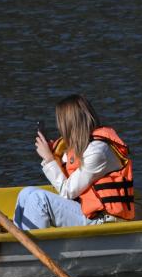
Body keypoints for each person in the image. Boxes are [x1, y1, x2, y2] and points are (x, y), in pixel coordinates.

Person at [13, 94, 135, 231]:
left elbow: (67, 191)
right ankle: (19, 245)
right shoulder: (78, 146)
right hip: (87, 213)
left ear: (69, 124)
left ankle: (34, 247)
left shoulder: (98, 152)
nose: (59, 128)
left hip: (103, 220)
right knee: (26, 193)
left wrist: (48, 159)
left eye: (60, 122)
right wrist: (55, 157)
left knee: (38, 199)